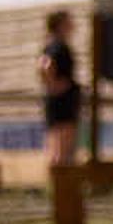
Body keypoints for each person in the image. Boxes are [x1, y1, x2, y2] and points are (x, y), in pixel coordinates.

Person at [35, 12, 83, 167]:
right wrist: (53, 84)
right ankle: (62, 185)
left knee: (59, 146)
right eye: (68, 22)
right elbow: (45, 64)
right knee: (62, 148)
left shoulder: (53, 44)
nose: (72, 25)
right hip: (62, 101)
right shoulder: (57, 46)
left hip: (60, 100)